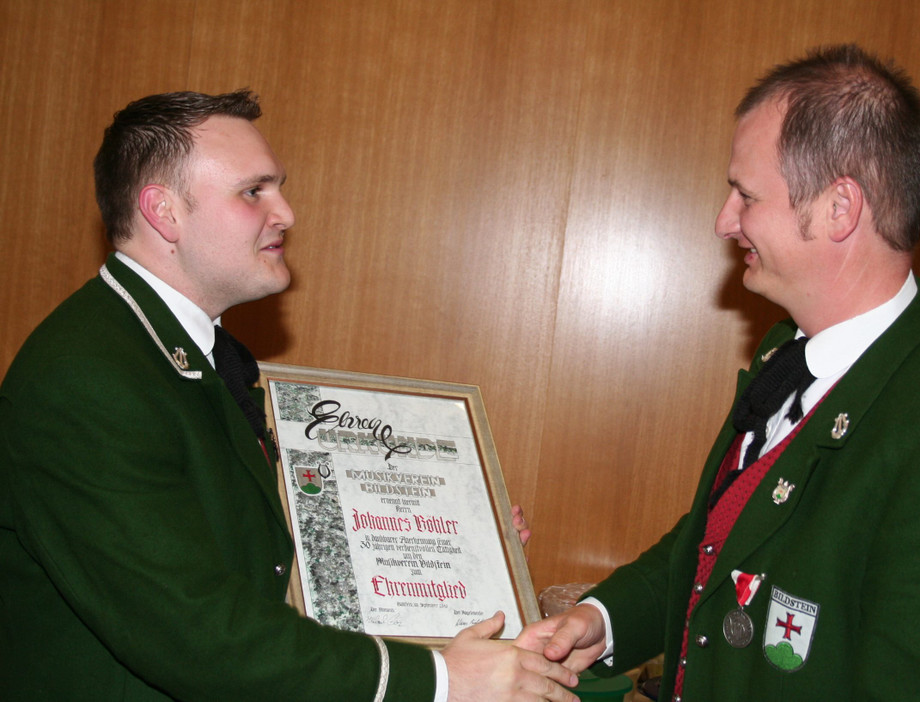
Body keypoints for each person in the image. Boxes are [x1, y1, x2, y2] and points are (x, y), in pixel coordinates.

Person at [0, 89, 577, 702]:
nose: (286, 213)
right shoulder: (87, 377)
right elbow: (195, 633)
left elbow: (246, 549)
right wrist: (441, 680)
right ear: (164, 212)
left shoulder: (187, 354)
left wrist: (462, 542)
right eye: (254, 192)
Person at [516, 44, 920, 700]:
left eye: (747, 196)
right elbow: (718, 547)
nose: (724, 222)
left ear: (840, 208)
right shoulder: (787, 353)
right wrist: (602, 621)